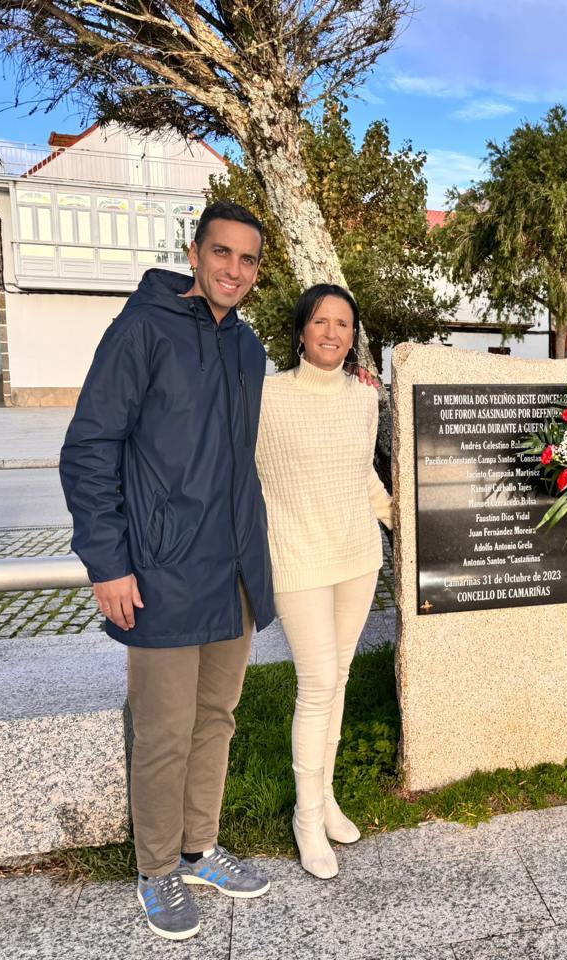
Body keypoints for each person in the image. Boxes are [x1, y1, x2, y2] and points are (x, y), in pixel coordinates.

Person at [60, 201, 277, 941]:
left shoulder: (248, 350)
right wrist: (108, 562)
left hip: (233, 573)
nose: (235, 270)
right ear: (194, 252)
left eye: (249, 260)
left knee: (215, 721)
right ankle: (155, 870)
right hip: (157, 571)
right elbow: (90, 448)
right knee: (164, 731)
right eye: (223, 253)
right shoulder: (141, 331)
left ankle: (197, 847)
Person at [254, 284, 392, 879]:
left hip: (356, 556)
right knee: (316, 684)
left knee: (337, 679)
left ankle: (327, 795)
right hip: (297, 559)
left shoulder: (365, 399)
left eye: (343, 323)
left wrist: (401, 526)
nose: (331, 332)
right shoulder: (264, 397)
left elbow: (363, 473)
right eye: (320, 321)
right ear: (301, 330)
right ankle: (306, 817)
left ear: (353, 333)